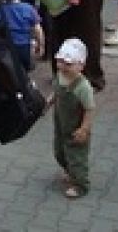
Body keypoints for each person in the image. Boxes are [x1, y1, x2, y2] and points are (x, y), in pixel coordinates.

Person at [50, 38, 95, 199]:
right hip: (61, 124)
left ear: (81, 65)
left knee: (77, 158)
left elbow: (90, 109)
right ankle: (69, 171)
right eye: (60, 62)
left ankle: (81, 185)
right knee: (59, 151)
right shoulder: (60, 76)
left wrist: (84, 129)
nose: (62, 66)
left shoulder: (83, 87)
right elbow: (56, 92)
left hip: (76, 128)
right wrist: (48, 103)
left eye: (68, 64)